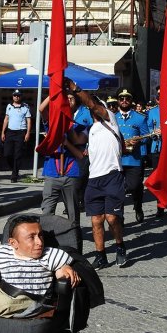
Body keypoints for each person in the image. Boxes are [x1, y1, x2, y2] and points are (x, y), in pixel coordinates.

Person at [0, 215, 80, 320]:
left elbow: (61, 267)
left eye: (40, 235)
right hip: (5, 293)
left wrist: (64, 271)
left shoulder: (50, 254)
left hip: (31, 302)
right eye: (31, 237)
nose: (40, 242)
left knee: (6, 303)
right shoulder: (3, 252)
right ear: (13, 243)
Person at [64, 79, 127, 269]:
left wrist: (76, 89)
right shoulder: (90, 130)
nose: (94, 109)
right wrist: (62, 117)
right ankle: (101, 254)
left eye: (97, 106)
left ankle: (120, 246)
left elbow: (91, 103)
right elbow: (75, 138)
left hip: (112, 176)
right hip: (94, 179)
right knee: (96, 220)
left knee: (112, 218)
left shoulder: (111, 120)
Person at [38, 92, 86, 226]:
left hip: (70, 173)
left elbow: (80, 155)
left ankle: (74, 242)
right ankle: (47, 240)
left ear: (76, 103)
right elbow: (41, 109)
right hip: (51, 172)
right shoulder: (53, 123)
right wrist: (55, 93)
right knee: (47, 211)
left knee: (73, 214)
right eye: (66, 97)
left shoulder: (80, 126)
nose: (68, 100)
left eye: (71, 98)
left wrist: (67, 142)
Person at [116, 88, 149, 223]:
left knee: (134, 186)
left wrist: (138, 140)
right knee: (118, 189)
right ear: (118, 100)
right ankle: (120, 216)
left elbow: (147, 137)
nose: (124, 101)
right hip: (117, 159)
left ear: (131, 100)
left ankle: (138, 206)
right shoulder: (113, 117)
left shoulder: (139, 118)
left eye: (127, 98)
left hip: (133, 159)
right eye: (121, 98)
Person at [0, 89, 31, 183]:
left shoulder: (25, 107)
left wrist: (28, 133)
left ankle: (14, 174)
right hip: (10, 132)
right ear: (12, 96)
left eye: (18, 95)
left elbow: (29, 121)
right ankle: (13, 168)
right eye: (15, 95)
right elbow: (6, 119)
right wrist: (2, 132)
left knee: (18, 154)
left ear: (21, 96)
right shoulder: (9, 106)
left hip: (20, 132)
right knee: (7, 153)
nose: (16, 97)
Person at [146, 87, 161, 169]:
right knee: (156, 171)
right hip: (156, 144)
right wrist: (154, 132)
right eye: (158, 96)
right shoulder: (152, 111)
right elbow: (149, 126)